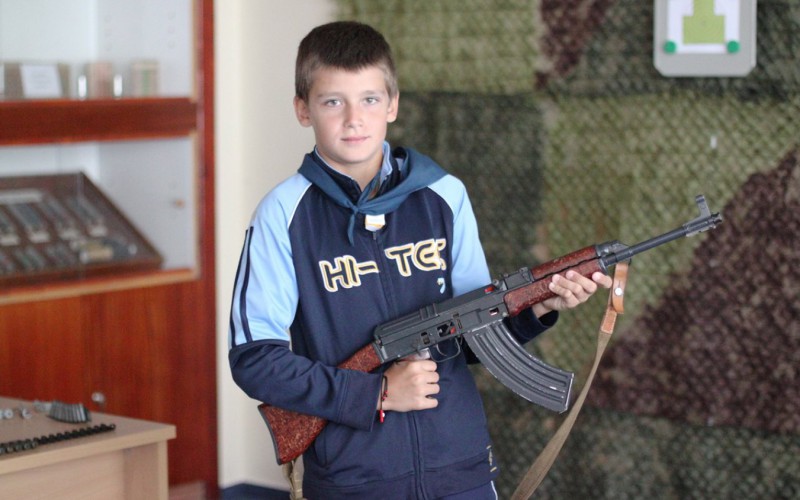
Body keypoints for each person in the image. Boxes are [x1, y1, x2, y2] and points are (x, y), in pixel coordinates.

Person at [228, 20, 612, 500]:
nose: (354, 119)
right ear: (303, 110)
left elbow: (474, 335)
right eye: (333, 102)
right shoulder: (283, 214)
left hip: (460, 471)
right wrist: (377, 394)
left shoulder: (443, 196)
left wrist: (539, 306)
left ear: (392, 104)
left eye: (370, 99)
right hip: (354, 483)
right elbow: (255, 360)